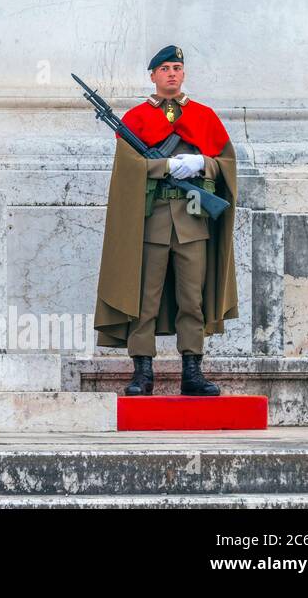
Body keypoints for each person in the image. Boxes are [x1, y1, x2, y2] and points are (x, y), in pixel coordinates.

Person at [92, 45, 237, 397]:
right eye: (164, 68)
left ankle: (192, 371)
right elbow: (129, 169)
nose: (172, 73)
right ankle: (143, 372)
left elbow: (226, 163)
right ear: (153, 76)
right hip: (153, 220)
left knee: (193, 298)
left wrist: (202, 164)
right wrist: (166, 167)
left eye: (177, 67)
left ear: (183, 74)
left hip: (192, 218)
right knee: (146, 298)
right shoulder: (136, 118)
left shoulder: (204, 116)